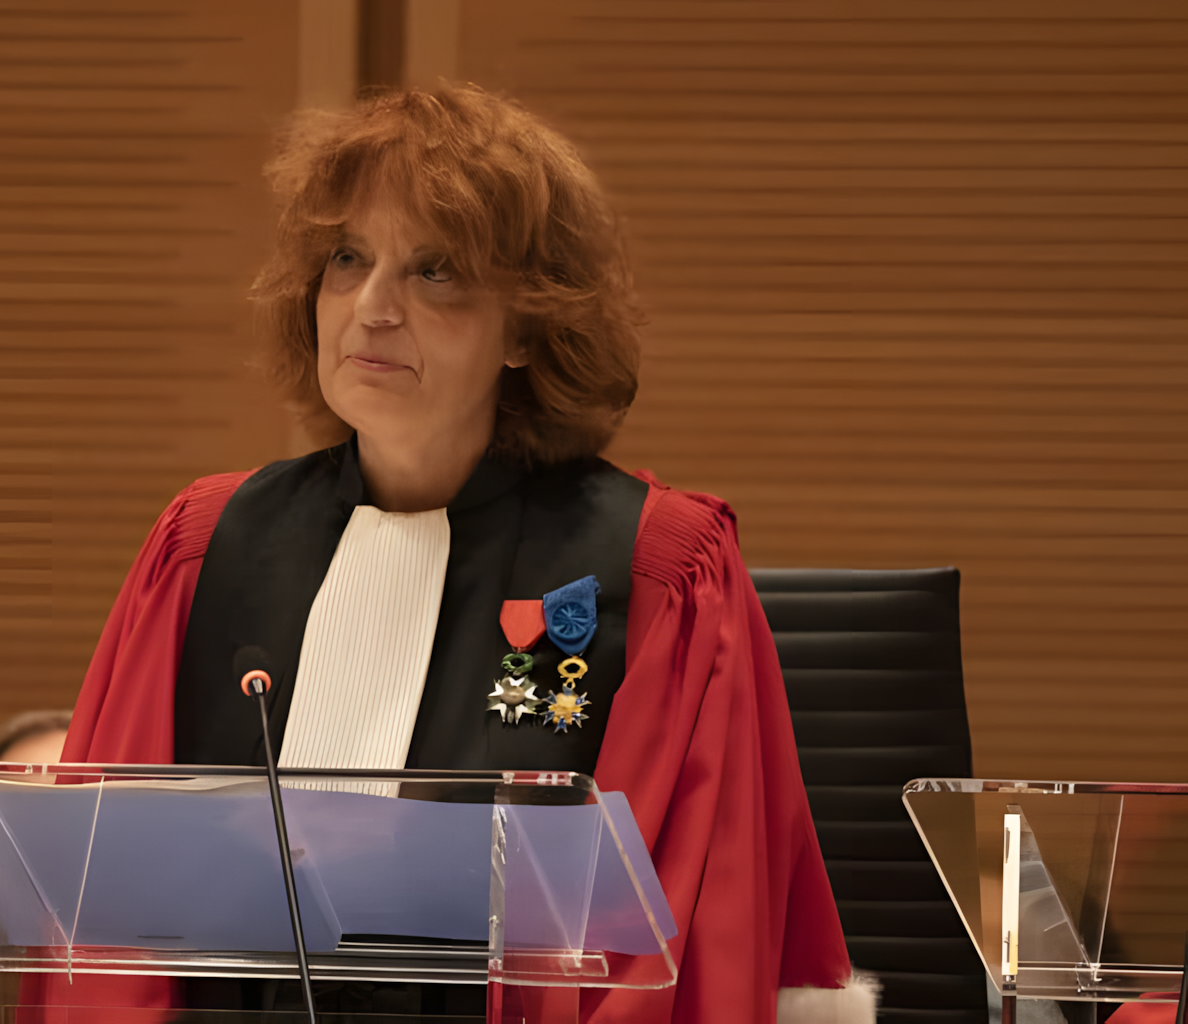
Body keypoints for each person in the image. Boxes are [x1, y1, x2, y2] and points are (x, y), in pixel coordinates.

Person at [45, 85, 874, 1024]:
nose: (372, 308)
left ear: (526, 326)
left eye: (434, 271)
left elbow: (674, 945)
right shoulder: (207, 544)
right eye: (348, 259)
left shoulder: (657, 570)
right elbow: (99, 925)